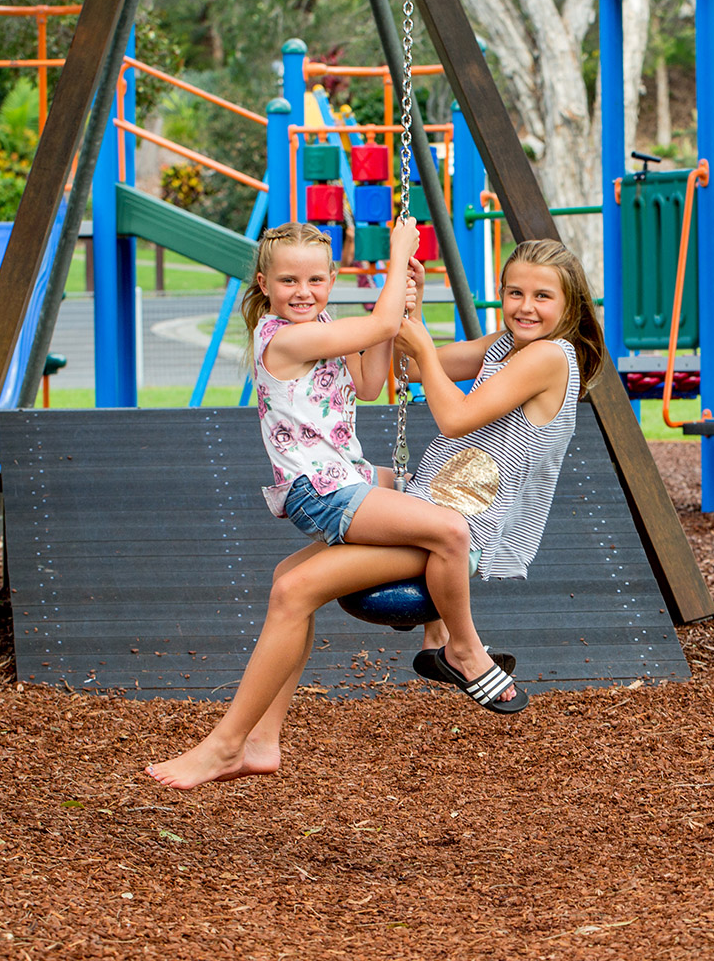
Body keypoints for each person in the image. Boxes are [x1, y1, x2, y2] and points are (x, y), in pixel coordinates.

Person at [146, 237, 605, 790]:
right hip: (429, 500)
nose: (525, 306)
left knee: (298, 590)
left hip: (464, 521)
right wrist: (412, 309)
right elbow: (415, 359)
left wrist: (404, 310)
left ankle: (458, 648)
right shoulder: (510, 345)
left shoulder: (548, 356)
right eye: (514, 292)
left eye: (542, 296)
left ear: (571, 304)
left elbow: (456, 416)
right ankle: (263, 741)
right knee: (286, 581)